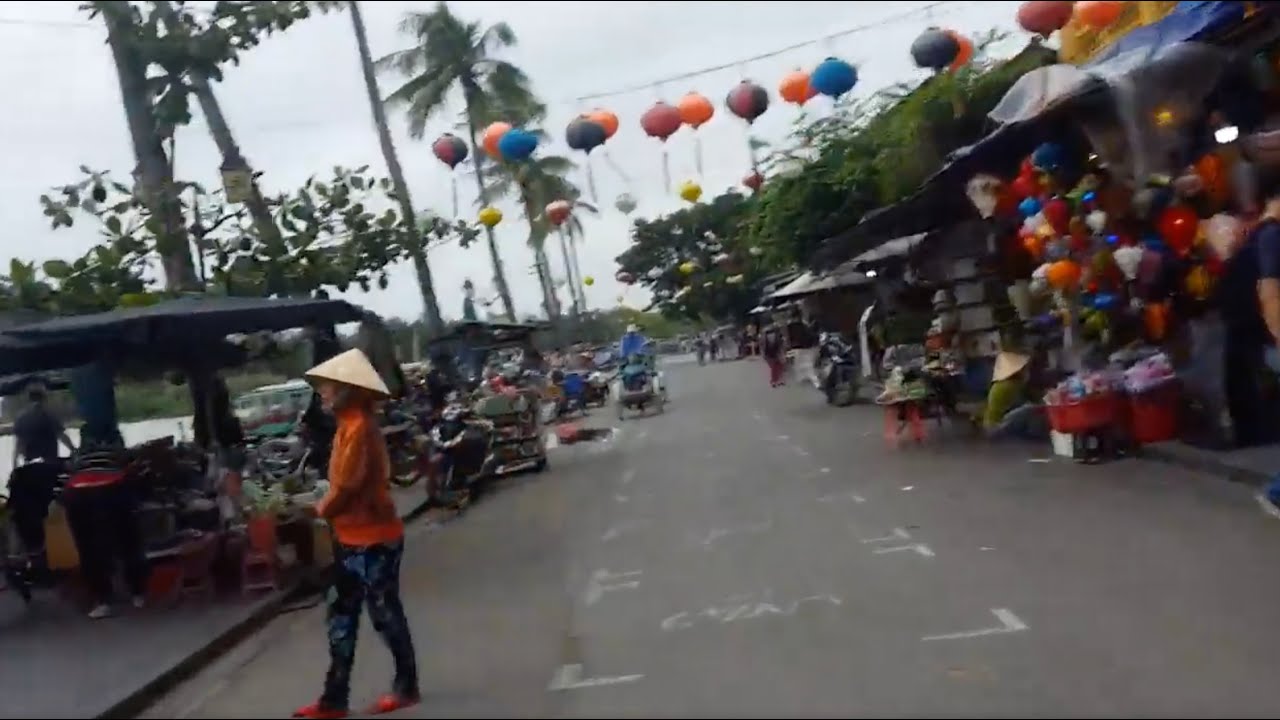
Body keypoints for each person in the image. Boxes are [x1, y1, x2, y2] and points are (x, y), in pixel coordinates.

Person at [295, 349, 420, 719]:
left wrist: (316, 511)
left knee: (384, 614)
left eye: (327, 387)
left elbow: (347, 486)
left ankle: (406, 686)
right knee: (341, 616)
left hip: (374, 538)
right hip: (350, 537)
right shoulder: (349, 425)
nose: (322, 393)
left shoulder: (360, 428)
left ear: (346, 390)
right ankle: (334, 699)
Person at [63, 432, 148, 619]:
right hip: (110, 488)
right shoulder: (118, 451)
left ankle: (103, 601)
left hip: (76, 493)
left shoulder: (78, 455)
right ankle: (137, 593)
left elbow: (66, 474)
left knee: (88, 549)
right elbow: (136, 470)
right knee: (128, 539)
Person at [1220, 181, 1280, 446]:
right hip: (1257, 326)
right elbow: (1269, 288)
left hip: (1244, 324)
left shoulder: (1255, 236)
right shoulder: (1269, 236)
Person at [8, 383, 75, 571]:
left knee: (19, 512)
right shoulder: (48, 415)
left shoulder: (20, 418)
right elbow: (62, 436)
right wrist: (75, 452)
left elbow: (18, 446)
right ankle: (60, 550)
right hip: (48, 468)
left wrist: (15, 469)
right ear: (44, 397)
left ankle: (15, 556)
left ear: (29, 397)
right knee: (56, 505)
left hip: (27, 470)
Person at [980, 351, 1048, 441]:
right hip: (996, 427)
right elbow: (1025, 402)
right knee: (1032, 408)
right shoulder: (1012, 385)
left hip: (991, 426)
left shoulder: (1003, 383)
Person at [762, 321, 787, 387]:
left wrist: (764, 355)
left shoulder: (764, 333)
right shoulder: (776, 332)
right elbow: (781, 342)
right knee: (779, 366)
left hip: (769, 352)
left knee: (774, 367)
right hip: (776, 351)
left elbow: (763, 345)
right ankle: (778, 380)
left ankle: (774, 381)